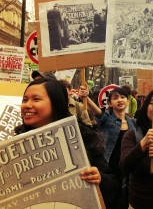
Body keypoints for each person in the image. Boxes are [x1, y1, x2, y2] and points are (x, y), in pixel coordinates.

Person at [14, 78, 120, 208]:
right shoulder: (16, 143)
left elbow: (114, 188)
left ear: (56, 103)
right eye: (25, 100)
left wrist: (99, 179)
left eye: (36, 99)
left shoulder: (81, 138)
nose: (27, 105)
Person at [96, 87, 136, 208]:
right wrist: (85, 97)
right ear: (109, 103)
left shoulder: (133, 123)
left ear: (128, 101)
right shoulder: (106, 119)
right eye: (115, 98)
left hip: (127, 171)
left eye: (123, 97)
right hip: (109, 169)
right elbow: (98, 113)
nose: (120, 100)